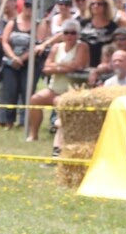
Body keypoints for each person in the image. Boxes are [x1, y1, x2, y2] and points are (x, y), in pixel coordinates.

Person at [26, 18, 88, 149]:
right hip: (53, 88)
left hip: (72, 90)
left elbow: (78, 65)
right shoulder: (56, 47)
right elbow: (46, 68)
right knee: (35, 99)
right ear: (62, 34)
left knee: (59, 102)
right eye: (66, 33)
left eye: (73, 33)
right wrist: (64, 67)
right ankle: (33, 134)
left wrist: (57, 66)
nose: (69, 36)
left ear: (77, 34)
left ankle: (62, 139)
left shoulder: (82, 46)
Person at [0, 0, 33, 130]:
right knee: (10, 93)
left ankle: (25, 122)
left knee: (26, 92)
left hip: (27, 64)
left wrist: (22, 58)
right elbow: (5, 42)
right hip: (10, 64)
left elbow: (36, 45)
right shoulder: (13, 23)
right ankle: (9, 122)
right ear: (23, 7)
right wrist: (13, 57)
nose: (29, 9)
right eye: (27, 6)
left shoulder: (37, 24)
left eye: (32, 7)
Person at [80, 0, 124, 69]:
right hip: (83, 67)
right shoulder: (82, 24)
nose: (95, 6)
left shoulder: (113, 27)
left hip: (104, 68)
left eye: (99, 4)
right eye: (93, 4)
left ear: (106, 6)